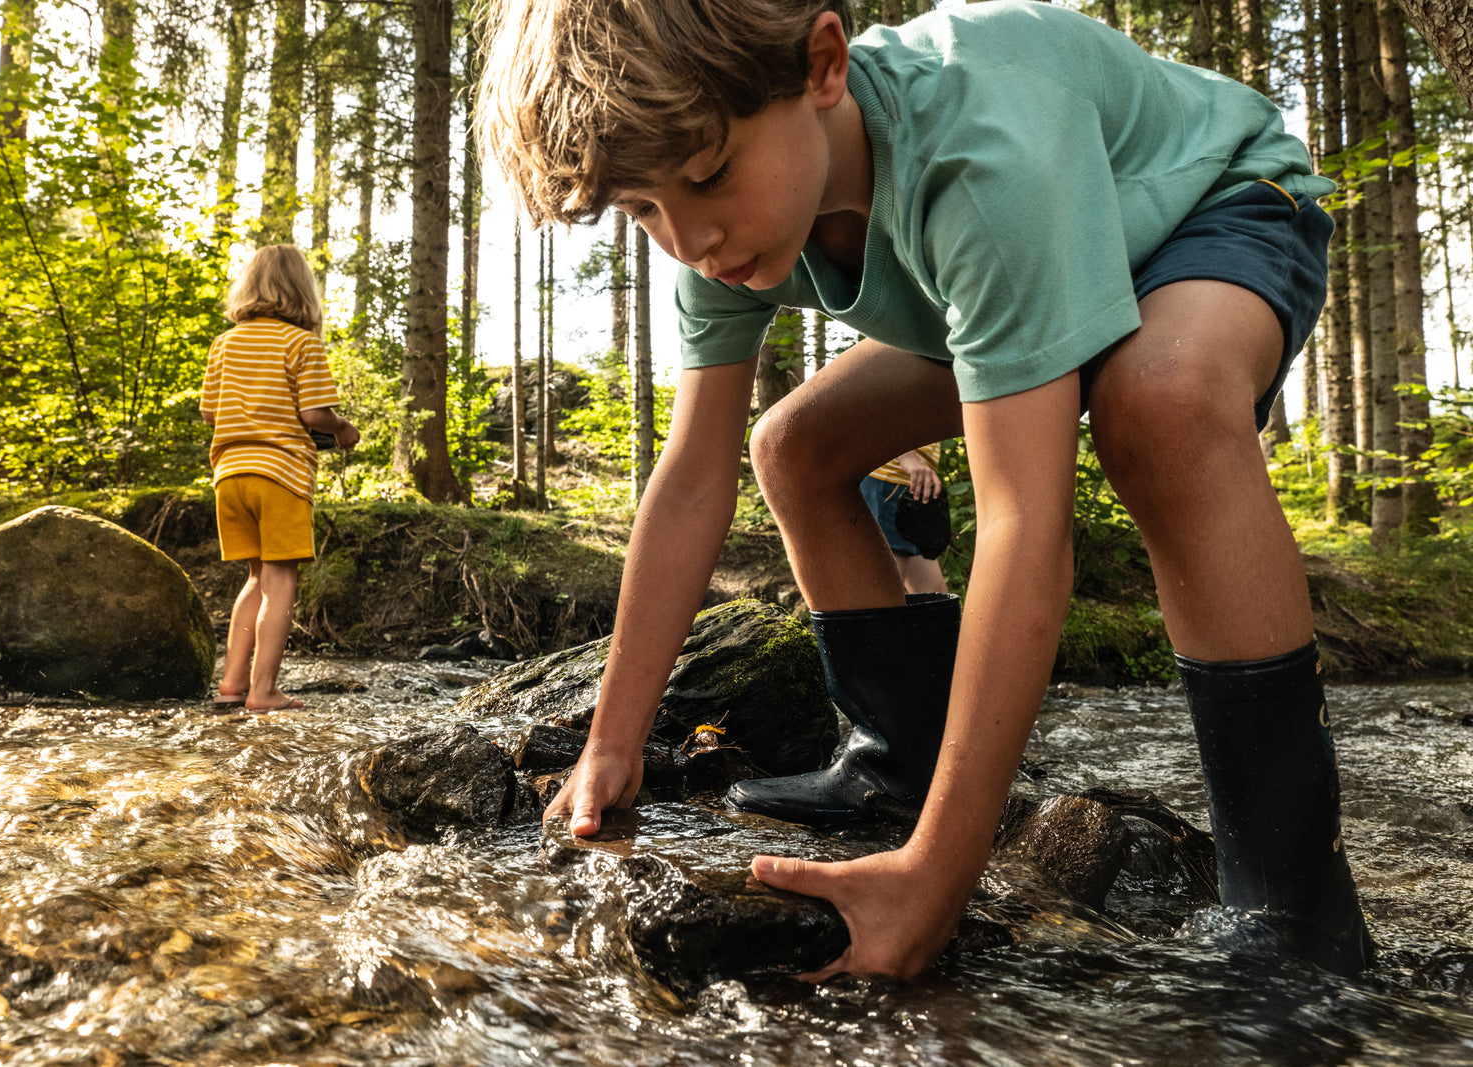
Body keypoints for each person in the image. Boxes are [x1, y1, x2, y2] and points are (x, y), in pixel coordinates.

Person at [477, 0, 1373, 979]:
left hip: (1208, 207)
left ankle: (1295, 916)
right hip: (1034, 264)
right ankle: (898, 766)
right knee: (794, 446)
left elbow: (1024, 527)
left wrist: (935, 881)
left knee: (1155, 399)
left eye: (704, 177)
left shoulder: (977, 158)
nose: (689, 239)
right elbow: (694, 476)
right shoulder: (716, 221)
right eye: (643, 211)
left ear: (822, 67)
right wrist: (614, 741)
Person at [200, 244, 359, 712]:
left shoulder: (225, 342)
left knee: (255, 578)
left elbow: (210, 412)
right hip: (281, 475)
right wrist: (343, 430)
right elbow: (314, 413)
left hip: (229, 476)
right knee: (280, 580)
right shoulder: (301, 343)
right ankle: (263, 691)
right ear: (302, 290)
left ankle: (231, 684)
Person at [862, 445, 950, 596]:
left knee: (935, 600)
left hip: (914, 482)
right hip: (892, 477)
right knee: (885, 595)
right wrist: (906, 456)